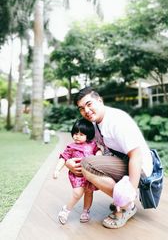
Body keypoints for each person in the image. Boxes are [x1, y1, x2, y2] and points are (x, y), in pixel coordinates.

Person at [65, 87, 153, 229]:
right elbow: (81, 144)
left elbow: (136, 156)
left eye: (89, 104)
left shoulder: (117, 121)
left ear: (100, 100)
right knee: (86, 163)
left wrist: (130, 191)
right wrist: (68, 162)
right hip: (121, 161)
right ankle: (123, 199)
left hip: (139, 166)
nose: (86, 111)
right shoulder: (94, 123)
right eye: (81, 108)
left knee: (87, 165)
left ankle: (126, 205)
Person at [53, 118, 102, 225]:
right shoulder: (71, 147)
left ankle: (85, 211)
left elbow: (98, 151)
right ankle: (66, 210)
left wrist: (98, 155)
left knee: (89, 192)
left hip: (89, 174)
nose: (77, 136)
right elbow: (63, 158)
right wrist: (57, 169)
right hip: (77, 175)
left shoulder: (92, 145)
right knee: (77, 193)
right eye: (75, 133)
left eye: (81, 134)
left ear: (88, 135)